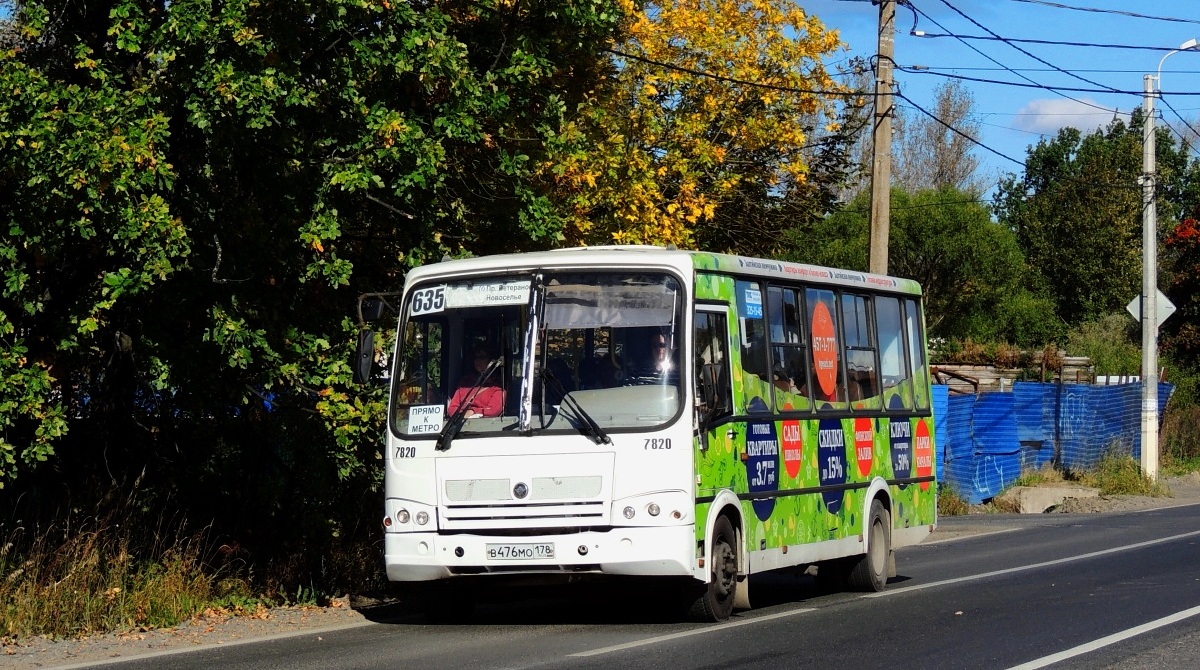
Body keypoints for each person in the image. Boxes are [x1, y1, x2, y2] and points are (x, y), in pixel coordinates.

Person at [447, 345, 504, 418]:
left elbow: (494, 410)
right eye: (476, 357)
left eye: (482, 357)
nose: (478, 360)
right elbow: (452, 408)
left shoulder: (497, 386)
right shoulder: (465, 383)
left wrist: (473, 411)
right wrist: (461, 414)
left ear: (491, 360)